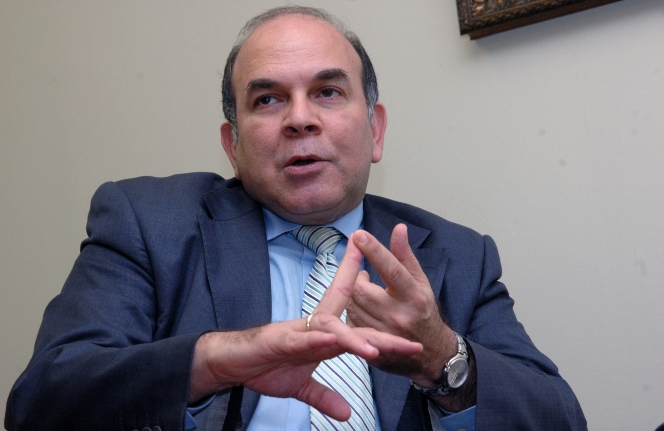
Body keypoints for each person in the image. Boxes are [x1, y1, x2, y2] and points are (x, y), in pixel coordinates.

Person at [5, 6, 586, 431]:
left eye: (328, 92)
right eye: (268, 99)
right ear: (232, 146)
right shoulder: (149, 224)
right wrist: (216, 359)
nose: (300, 119)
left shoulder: (457, 255)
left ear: (375, 129)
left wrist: (440, 356)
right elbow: (41, 404)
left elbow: (559, 418)